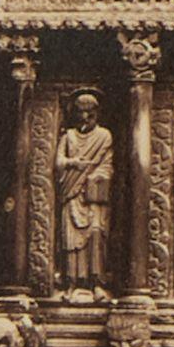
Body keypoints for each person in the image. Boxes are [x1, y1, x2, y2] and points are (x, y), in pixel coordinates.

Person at [53, 91, 113, 293]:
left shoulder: (104, 136)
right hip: (72, 192)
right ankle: (71, 282)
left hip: (93, 194)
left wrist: (96, 176)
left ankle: (96, 282)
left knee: (96, 233)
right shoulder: (68, 136)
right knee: (71, 238)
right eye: (81, 112)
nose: (85, 117)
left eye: (89, 113)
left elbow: (108, 166)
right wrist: (73, 163)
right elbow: (59, 162)